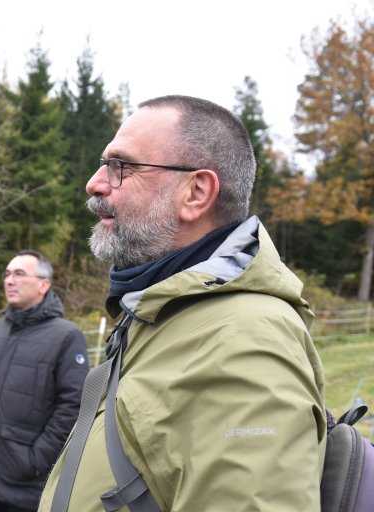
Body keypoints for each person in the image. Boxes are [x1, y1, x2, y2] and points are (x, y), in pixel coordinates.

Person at [39, 95, 327, 511]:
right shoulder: (161, 311)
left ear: (196, 192)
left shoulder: (244, 340)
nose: (96, 182)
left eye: (122, 167)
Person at [0, 250, 89, 512]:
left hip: (26, 480)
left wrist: (37, 459)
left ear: (43, 284)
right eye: (6, 274)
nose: (9, 280)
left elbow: (73, 405)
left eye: (19, 274)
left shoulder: (66, 336)